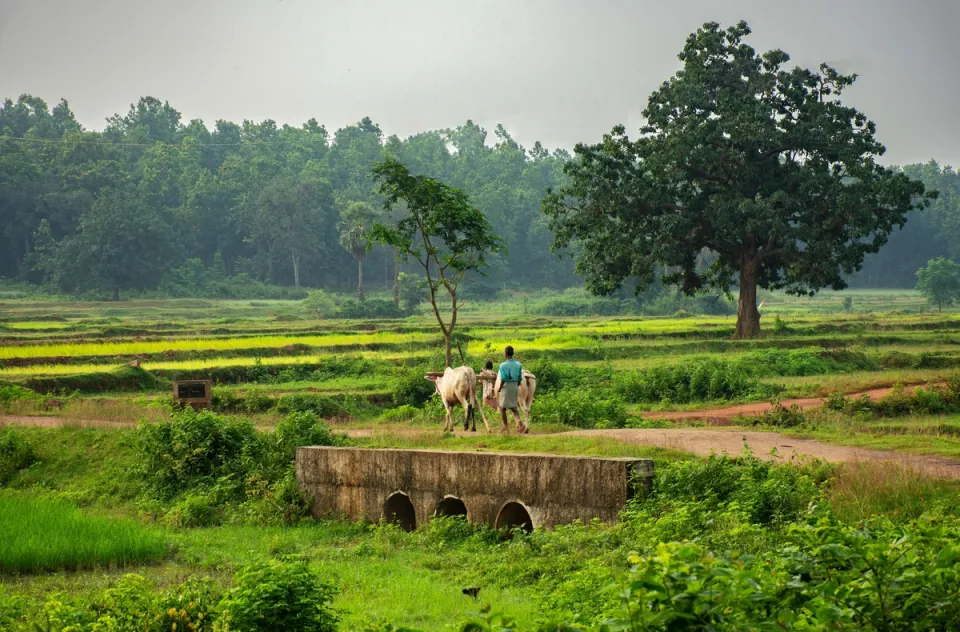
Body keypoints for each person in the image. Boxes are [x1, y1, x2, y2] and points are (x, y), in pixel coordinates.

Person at [497, 346, 526, 433]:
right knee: (514, 408)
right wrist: (516, 385)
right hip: (515, 386)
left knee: (502, 408)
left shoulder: (502, 365)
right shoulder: (518, 364)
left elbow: (503, 378)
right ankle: (519, 421)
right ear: (512, 354)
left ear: (505, 354)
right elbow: (520, 378)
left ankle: (506, 427)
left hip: (506, 386)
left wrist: (499, 388)